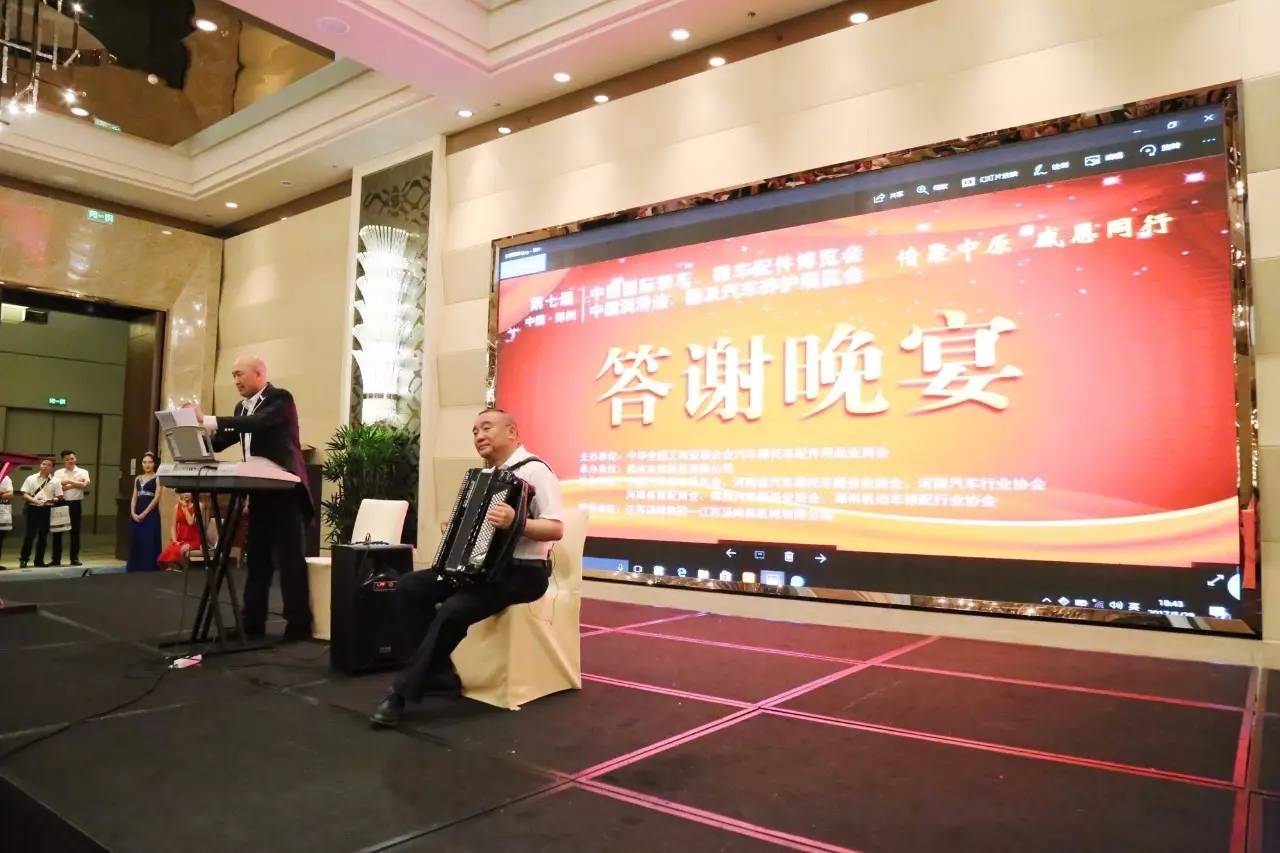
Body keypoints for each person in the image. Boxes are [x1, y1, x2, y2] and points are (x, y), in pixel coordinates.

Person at [370, 408, 563, 727]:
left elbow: (556, 529)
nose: (479, 436)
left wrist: (517, 521)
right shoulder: (487, 476)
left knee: (454, 609)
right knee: (409, 587)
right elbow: (479, 530)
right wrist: (458, 526)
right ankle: (441, 676)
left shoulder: (536, 470)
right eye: (474, 431)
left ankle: (401, 693)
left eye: (486, 428)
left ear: (512, 432)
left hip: (524, 572)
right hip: (483, 569)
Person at [188, 355, 312, 641]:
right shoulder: (240, 408)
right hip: (259, 490)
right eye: (233, 375)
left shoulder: (280, 399)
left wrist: (207, 419)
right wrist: (192, 435)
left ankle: (299, 624)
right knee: (256, 559)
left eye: (239, 374)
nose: (235, 381)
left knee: (290, 560)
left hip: (286, 490)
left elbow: (258, 424)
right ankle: (252, 622)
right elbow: (222, 441)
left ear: (259, 374)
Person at [19, 458, 63, 568]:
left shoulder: (55, 481)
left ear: (52, 468)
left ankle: (39, 560)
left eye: (48, 465)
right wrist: (35, 501)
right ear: (40, 465)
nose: (45, 466)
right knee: (30, 535)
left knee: (43, 535)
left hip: (47, 509)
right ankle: (24, 559)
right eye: (43, 464)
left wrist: (53, 499)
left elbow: (59, 496)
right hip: (32, 508)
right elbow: (25, 494)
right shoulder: (31, 478)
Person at [52, 449, 91, 567]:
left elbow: (85, 485)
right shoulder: (58, 473)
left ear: (76, 458)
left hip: (75, 504)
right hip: (61, 502)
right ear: (63, 460)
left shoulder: (83, 471)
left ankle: (74, 559)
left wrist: (68, 482)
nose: (70, 461)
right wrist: (76, 483)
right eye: (67, 459)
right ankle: (56, 560)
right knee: (57, 532)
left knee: (75, 532)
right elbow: (57, 488)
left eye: (72, 458)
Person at [126, 452, 162, 572]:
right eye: (145, 462)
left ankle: (149, 568)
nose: (147, 465)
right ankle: (135, 568)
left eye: (150, 462)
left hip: (151, 514)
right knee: (137, 540)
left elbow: (157, 498)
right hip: (137, 513)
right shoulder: (137, 478)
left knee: (149, 540)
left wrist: (145, 513)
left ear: (154, 464)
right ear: (142, 464)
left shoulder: (158, 478)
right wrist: (133, 512)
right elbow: (134, 497)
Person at [158, 492, 203, 572]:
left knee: (182, 550)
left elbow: (190, 522)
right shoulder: (176, 507)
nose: (186, 494)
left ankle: (183, 571)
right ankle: (176, 570)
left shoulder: (199, 505)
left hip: (194, 540)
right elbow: (173, 527)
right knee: (167, 552)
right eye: (183, 492)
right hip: (181, 539)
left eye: (188, 492)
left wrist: (185, 507)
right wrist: (175, 541)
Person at [0, 472, 13, 570]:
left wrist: (2, 494)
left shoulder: (5, 478)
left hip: (1, 510)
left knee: (0, 538)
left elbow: (10, 494)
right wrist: (2, 493)